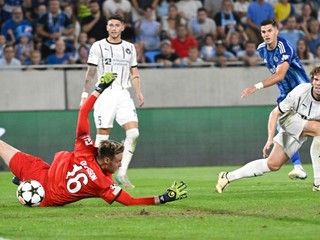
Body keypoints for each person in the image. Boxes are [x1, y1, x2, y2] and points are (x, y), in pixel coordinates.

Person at [1, 77, 188, 207]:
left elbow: (83, 113)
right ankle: (25, 182)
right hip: (45, 192)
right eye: (118, 160)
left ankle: (25, 181)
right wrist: (164, 198)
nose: (121, 163)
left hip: (40, 178)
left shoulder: (85, 148)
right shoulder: (103, 183)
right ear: (106, 160)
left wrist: (100, 88)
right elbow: (130, 201)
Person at [216, 65, 320, 193]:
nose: (318, 83)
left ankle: (227, 176)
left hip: (305, 126)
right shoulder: (300, 91)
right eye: (316, 79)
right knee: (319, 130)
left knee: (273, 164)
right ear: (312, 81)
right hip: (289, 121)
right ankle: (318, 183)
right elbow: (275, 113)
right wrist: (270, 139)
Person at [80, 15, 144, 189]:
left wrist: (138, 91)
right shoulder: (98, 46)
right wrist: (85, 94)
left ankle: (122, 173)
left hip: (123, 93)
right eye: (111, 25)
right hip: (105, 94)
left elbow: (134, 71)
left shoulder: (130, 48)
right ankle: (96, 177)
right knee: (102, 138)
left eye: (117, 25)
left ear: (123, 27)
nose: (114, 28)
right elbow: (91, 72)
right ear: (107, 27)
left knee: (134, 134)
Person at [241, 18, 310, 180]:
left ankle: (299, 166)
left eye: (269, 31)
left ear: (276, 31)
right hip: (285, 96)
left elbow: (280, 75)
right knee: (283, 127)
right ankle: (298, 167)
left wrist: (255, 87)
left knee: (306, 128)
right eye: (263, 32)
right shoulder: (261, 49)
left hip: (301, 92)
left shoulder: (284, 47)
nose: (266, 34)